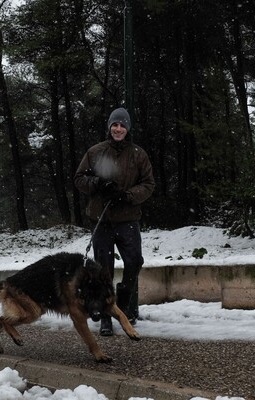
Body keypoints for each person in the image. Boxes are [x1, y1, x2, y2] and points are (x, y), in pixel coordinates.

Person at [74, 107, 155, 336]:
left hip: (128, 219)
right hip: (101, 219)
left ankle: (125, 298)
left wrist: (127, 196)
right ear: (110, 127)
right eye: (115, 125)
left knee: (134, 262)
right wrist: (98, 183)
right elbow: (80, 179)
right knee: (103, 270)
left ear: (127, 128)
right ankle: (106, 318)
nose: (118, 129)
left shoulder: (138, 154)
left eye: (122, 125)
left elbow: (149, 184)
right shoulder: (95, 152)